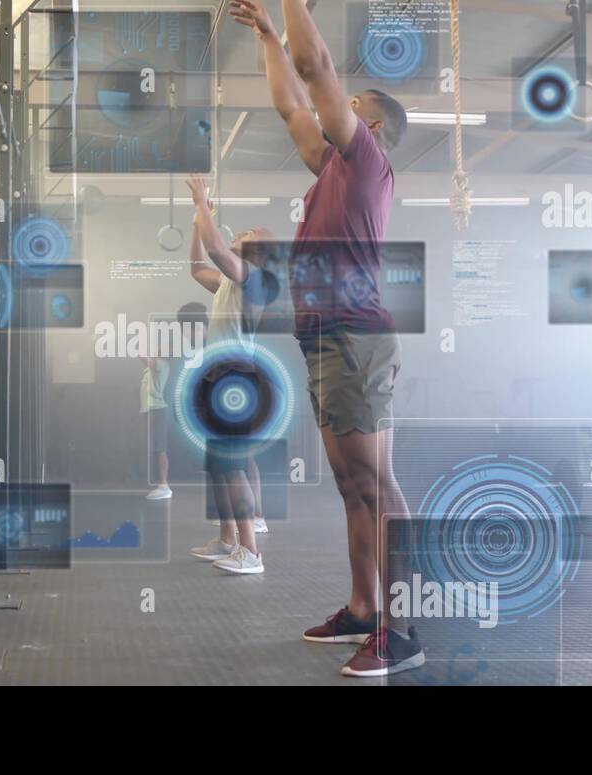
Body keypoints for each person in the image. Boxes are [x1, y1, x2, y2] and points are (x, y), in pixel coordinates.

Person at [230, 0, 423, 676]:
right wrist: (268, 37)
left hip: (355, 340)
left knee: (376, 483)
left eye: (346, 103)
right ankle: (364, 609)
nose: (327, 109)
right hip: (325, 340)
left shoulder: (367, 162)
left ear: (366, 123)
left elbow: (317, 71)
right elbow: (291, 104)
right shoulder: (331, 174)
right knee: (352, 483)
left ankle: (402, 627)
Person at [182, 180, 272, 573]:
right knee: (220, 468)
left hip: (237, 381)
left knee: (233, 466)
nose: (243, 232)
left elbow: (217, 249)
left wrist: (203, 203)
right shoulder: (229, 283)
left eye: (251, 233)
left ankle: (251, 552)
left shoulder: (254, 279)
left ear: (259, 251)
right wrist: (195, 221)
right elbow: (197, 266)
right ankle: (226, 539)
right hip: (219, 380)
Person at [142, 353, 173, 500]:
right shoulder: (153, 366)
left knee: (160, 449)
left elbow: (143, 358)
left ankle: (164, 486)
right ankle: (162, 486)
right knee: (156, 448)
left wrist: (137, 347)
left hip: (158, 410)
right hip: (152, 410)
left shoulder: (162, 363)